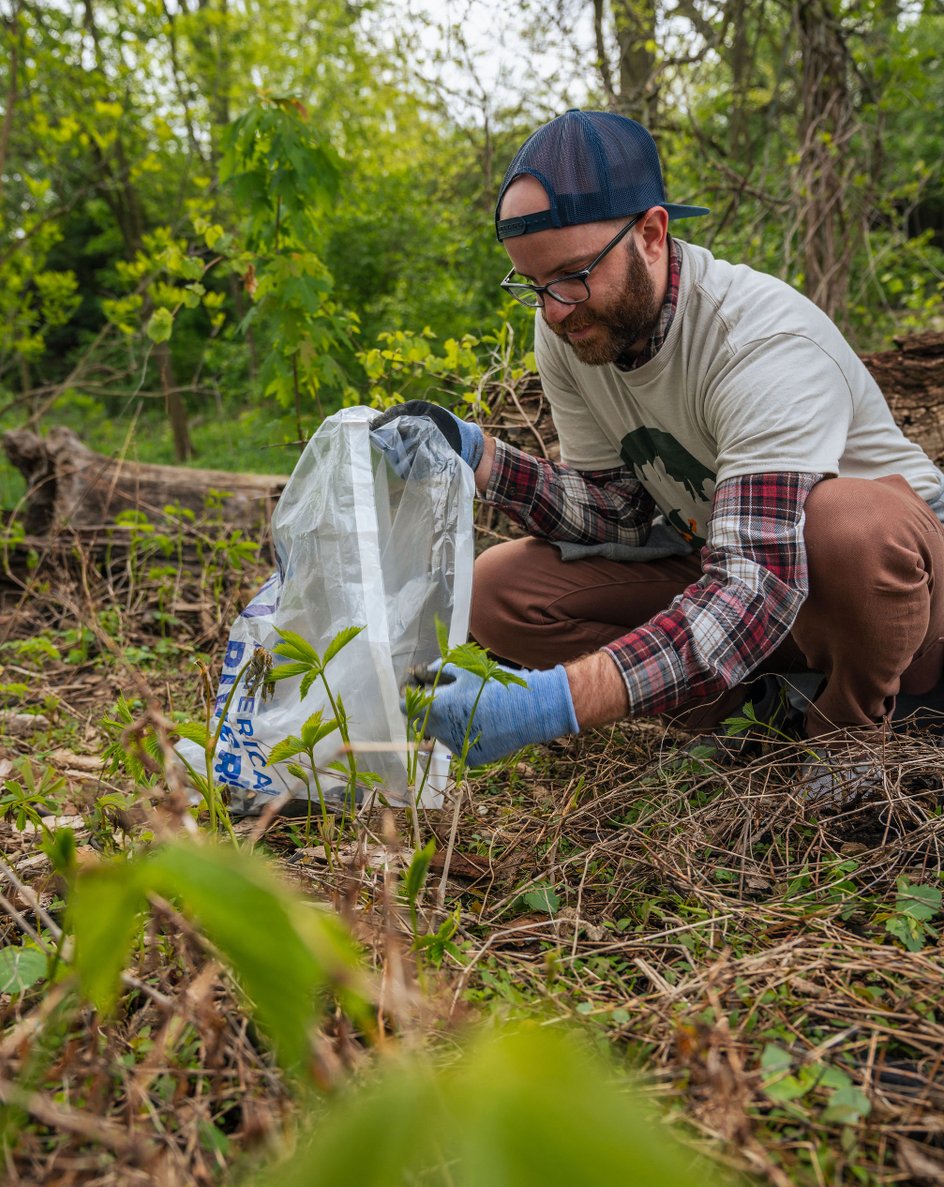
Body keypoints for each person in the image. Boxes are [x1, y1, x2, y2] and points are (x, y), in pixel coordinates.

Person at [373, 109, 944, 786]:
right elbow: (615, 512)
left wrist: (553, 704)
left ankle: (851, 736)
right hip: (741, 578)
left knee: (847, 527)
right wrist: (479, 456)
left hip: (902, 605)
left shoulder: (759, 342)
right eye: (534, 285)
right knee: (501, 589)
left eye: (572, 275)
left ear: (651, 232)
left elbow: (756, 586)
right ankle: (758, 716)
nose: (555, 310)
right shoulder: (574, 327)